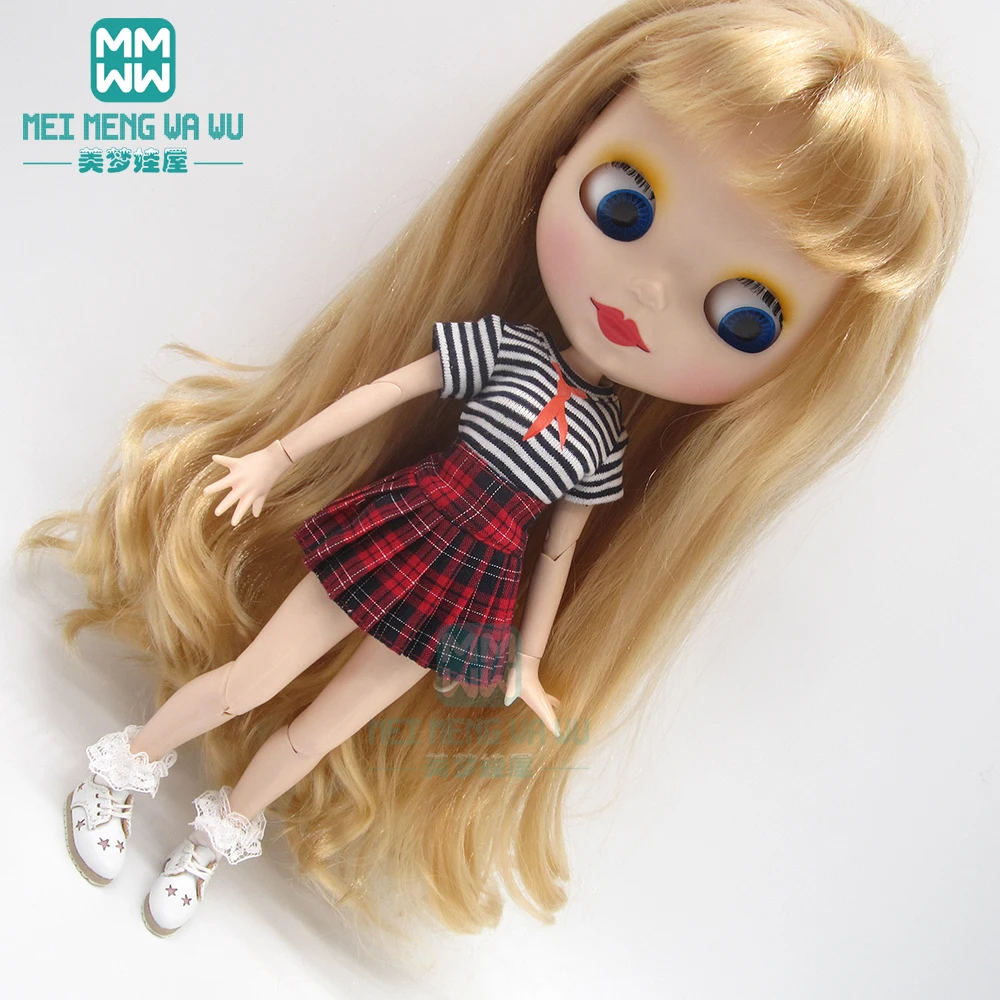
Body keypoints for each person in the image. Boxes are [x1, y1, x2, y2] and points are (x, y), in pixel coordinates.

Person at [24, 0, 968, 936]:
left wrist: (527, 660)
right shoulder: (509, 352)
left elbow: (557, 549)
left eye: (744, 316)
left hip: (476, 588)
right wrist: (276, 455)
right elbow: (396, 389)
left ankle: (215, 839)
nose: (648, 288)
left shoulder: (600, 440)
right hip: (404, 526)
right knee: (252, 681)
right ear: (566, 145)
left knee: (318, 732)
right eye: (626, 203)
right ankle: (122, 769)